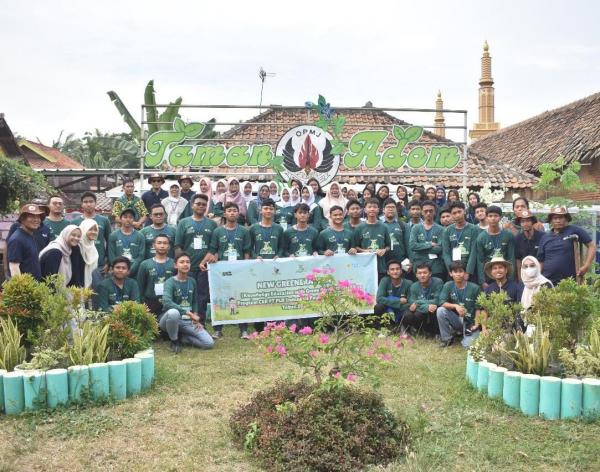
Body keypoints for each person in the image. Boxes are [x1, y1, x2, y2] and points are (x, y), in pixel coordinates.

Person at [203, 202, 251, 339]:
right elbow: (213, 250)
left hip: (239, 269)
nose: (232, 213)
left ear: (238, 213)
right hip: (221, 270)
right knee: (220, 299)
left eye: (235, 210)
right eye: (229, 210)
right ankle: (218, 329)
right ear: (224, 214)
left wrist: (246, 268)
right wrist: (207, 262)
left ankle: (243, 330)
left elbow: (247, 251)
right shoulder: (218, 231)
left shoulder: (244, 231)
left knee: (240, 298)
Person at [175, 193, 217, 324]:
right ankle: (185, 323)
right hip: (188, 268)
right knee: (186, 295)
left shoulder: (212, 224)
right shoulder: (183, 223)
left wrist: (213, 257)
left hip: (205, 268)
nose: (201, 206)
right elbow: (178, 246)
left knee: (202, 297)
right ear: (192, 205)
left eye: (204, 205)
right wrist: (182, 264)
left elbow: (214, 247)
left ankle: (201, 324)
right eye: (198, 204)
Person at [161, 252, 215, 353]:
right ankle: (174, 341)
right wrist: (189, 313)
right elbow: (167, 302)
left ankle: (183, 338)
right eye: (182, 262)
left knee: (208, 343)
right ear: (175, 265)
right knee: (174, 312)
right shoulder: (170, 282)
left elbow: (194, 301)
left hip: (187, 321)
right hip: (170, 319)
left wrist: (195, 316)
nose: (185, 264)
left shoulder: (192, 281)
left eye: (188, 262)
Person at [537, 206, 596, 285]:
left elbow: (591, 246)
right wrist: (538, 278)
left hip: (569, 281)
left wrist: (586, 265)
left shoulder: (574, 230)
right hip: (548, 281)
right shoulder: (545, 237)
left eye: (561, 217)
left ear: (566, 219)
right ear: (551, 220)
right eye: (555, 218)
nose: (558, 220)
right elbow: (541, 261)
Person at [436, 261, 482, 348]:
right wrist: (455, 306)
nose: (458, 274)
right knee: (440, 310)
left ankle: (467, 335)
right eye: (455, 272)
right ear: (450, 273)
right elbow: (441, 302)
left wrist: (476, 324)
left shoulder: (475, 288)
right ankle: (447, 339)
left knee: (467, 346)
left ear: (465, 273)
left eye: (461, 271)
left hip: (470, 322)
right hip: (457, 320)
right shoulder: (448, 285)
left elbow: (478, 308)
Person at [72, 191, 111, 276]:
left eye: (91, 201)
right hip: (81, 262)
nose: (88, 204)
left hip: (99, 263)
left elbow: (110, 242)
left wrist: (108, 262)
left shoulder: (104, 220)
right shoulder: (74, 222)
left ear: (95, 203)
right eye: (85, 202)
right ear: (82, 204)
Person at [475, 205, 515, 286]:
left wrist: (511, 278)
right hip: (488, 275)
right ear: (486, 217)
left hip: (504, 273)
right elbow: (480, 261)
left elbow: (511, 258)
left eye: (496, 216)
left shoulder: (508, 235)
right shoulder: (481, 237)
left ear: (500, 217)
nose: (493, 218)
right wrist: (482, 281)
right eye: (490, 216)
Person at [351, 198, 391, 279]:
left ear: (378, 210)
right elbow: (355, 247)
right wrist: (365, 251)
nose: (372, 209)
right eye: (369, 207)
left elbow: (389, 246)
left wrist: (384, 250)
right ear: (365, 210)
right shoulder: (359, 228)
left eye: (374, 207)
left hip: (380, 266)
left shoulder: (384, 227)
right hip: (364, 265)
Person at [137, 234, 175, 317]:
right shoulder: (145, 264)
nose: (162, 246)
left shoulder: (174, 264)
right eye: (159, 243)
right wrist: (141, 305)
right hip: (150, 302)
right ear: (153, 245)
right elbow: (140, 287)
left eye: (165, 243)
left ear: (169, 246)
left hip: (169, 302)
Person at [402, 263, 443, 336]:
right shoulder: (414, 286)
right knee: (411, 312)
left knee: (436, 308)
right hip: (423, 311)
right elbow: (411, 301)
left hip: (434, 309)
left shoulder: (438, 282)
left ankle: (437, 333)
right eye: (419, 273)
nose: (422, 275)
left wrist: (418, 302)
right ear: (416, 275)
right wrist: (427, 306)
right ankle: (419, 331)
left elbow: (438, 300)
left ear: (430, 273)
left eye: (425, 273)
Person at [7, 204, 46, 280]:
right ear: (22, 218)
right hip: (26, 290)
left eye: (38, 216)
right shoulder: (17, 239)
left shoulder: (29, 235)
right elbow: (14, 268)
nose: (36, 219)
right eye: (32, 216)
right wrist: (23, 290)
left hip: (34, 288)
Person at [409, 200, 445, 280]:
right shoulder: (416, 228)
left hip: (435, 267)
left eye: (431, 211)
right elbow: (412, 246)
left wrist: (420, 249)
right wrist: (429, 245)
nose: (428, 213)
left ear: (435, 212)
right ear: (422, 212)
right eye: (426, 211)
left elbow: (439, 248)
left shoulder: (441, 229)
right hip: (419, 266)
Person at [442, 201, 478, 280]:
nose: (457, 215)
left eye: (459, 212)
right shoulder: (447, 230)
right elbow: (446, 253)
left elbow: (474, 251)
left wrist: (468, 272)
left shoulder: (474, 229)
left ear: (464, 211)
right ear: (451, 215)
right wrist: (450, 270)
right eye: (454, 213)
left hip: (468, 266)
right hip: (453, 267)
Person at [108, 208, 146, 277]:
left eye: (130, 217)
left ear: (134, 220)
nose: (128, 219)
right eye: (125, 217)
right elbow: (111, 255)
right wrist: (119, 269)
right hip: (117, 272)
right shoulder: (113, 235)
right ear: (121, 219)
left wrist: (130, 270)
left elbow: (141, 256)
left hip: (135, 273)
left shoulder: (140, 236)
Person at [374, 260, 412, 325]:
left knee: (409, 313)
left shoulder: (409, 283)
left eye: (397, 269)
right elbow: (379, 299)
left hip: (402, 310)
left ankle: (405, 328)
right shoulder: (384, 281)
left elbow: (410, 302)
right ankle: (382, 328)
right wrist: (398, 301)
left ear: (401, 271)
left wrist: (395, 306)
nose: (395, 271)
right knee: (378, 307)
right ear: (388, 272)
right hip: (388, 310)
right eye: (392, 269)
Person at [514, 210, 544, 279]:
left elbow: (543, 259)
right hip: (525, 274)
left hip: (540, 274)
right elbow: (518, 260)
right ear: (520, 223)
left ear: (532, 222)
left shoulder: (542, 236)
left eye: (528, 221)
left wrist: (539, 276)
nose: (525, 224)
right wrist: (520, 278)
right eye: (522, 221)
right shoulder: (517, 238)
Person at [381, 198, 410, 269]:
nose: (390, 209)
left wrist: (409, 261)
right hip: (383, 261)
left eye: (393, 207)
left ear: (396, 209)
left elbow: (408, 245)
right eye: (388, 207)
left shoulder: (403, 225)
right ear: (383, 210)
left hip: (401, 262)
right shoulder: (379, 224)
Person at [78, 219, 100, 289]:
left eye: (95, 230)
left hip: (90, 286)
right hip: (77, 287)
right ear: (83, 230)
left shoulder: (92, 246)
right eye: (90, 229)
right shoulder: (77, 246)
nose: (93, 232)